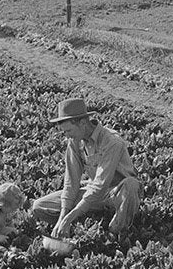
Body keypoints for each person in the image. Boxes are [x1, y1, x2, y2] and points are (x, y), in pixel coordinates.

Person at [32, 97, 140, 239]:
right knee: (39, 206)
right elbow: (71, 182)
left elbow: (101, 184)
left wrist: (71, 216)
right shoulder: (74, 141)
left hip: (115, 194)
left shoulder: (112, 141)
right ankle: (84, 219)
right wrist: (63, 216)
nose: (66, 136)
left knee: (131, 185)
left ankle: (116, 232)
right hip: (93, 195)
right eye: (64, 132)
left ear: (82, 123)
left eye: (68, 130)